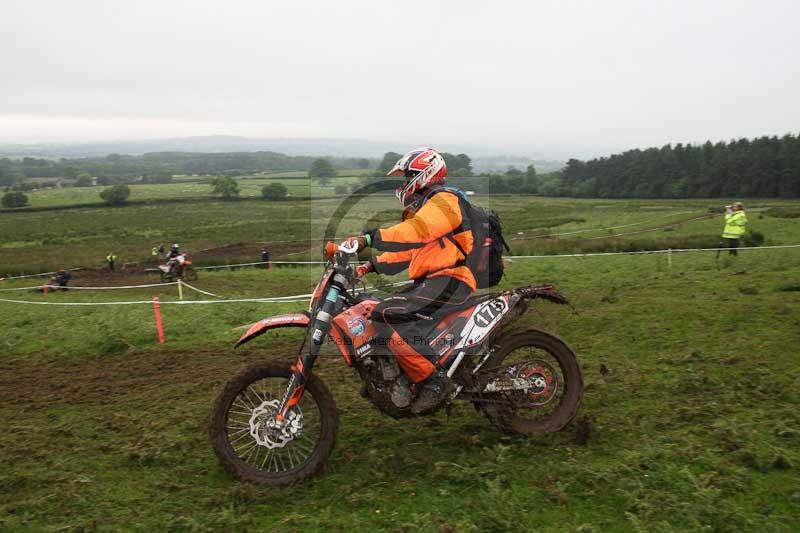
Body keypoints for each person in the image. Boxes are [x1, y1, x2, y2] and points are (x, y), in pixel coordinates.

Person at [339, 148, 477, 414]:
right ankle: (392, 376)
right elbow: (409, 251)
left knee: (386, 314)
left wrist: (369, 238)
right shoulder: (428, 207)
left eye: (406, 177)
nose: (403, 184)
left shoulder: (445, 201)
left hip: (450, 281)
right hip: (433, 282)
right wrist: (369, 266)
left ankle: (433, 381)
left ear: (423, 173)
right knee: (374, 307)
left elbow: (415, 233)